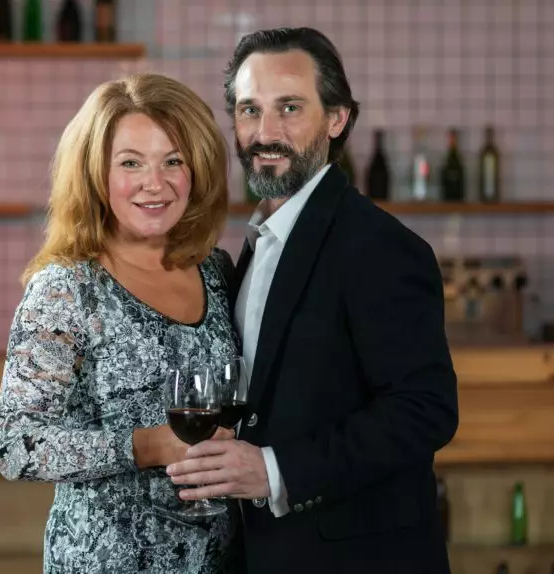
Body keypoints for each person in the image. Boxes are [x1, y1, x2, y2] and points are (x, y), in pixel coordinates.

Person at [166, 27, 460, 573]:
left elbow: (425, 412)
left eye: (290, 108)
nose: (265, 132)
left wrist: (276, 472)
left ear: (337, 118)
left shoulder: (380, 248)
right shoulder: (251, 247)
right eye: (249, 110)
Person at [0, 72, 241, 573]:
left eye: (174, 161)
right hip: (107, 560)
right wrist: (145, 445)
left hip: (216, 558)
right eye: (131, 163)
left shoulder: (215, 270)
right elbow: (17, 444)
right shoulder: (68, 288)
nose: (156, 183)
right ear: (96, 175)